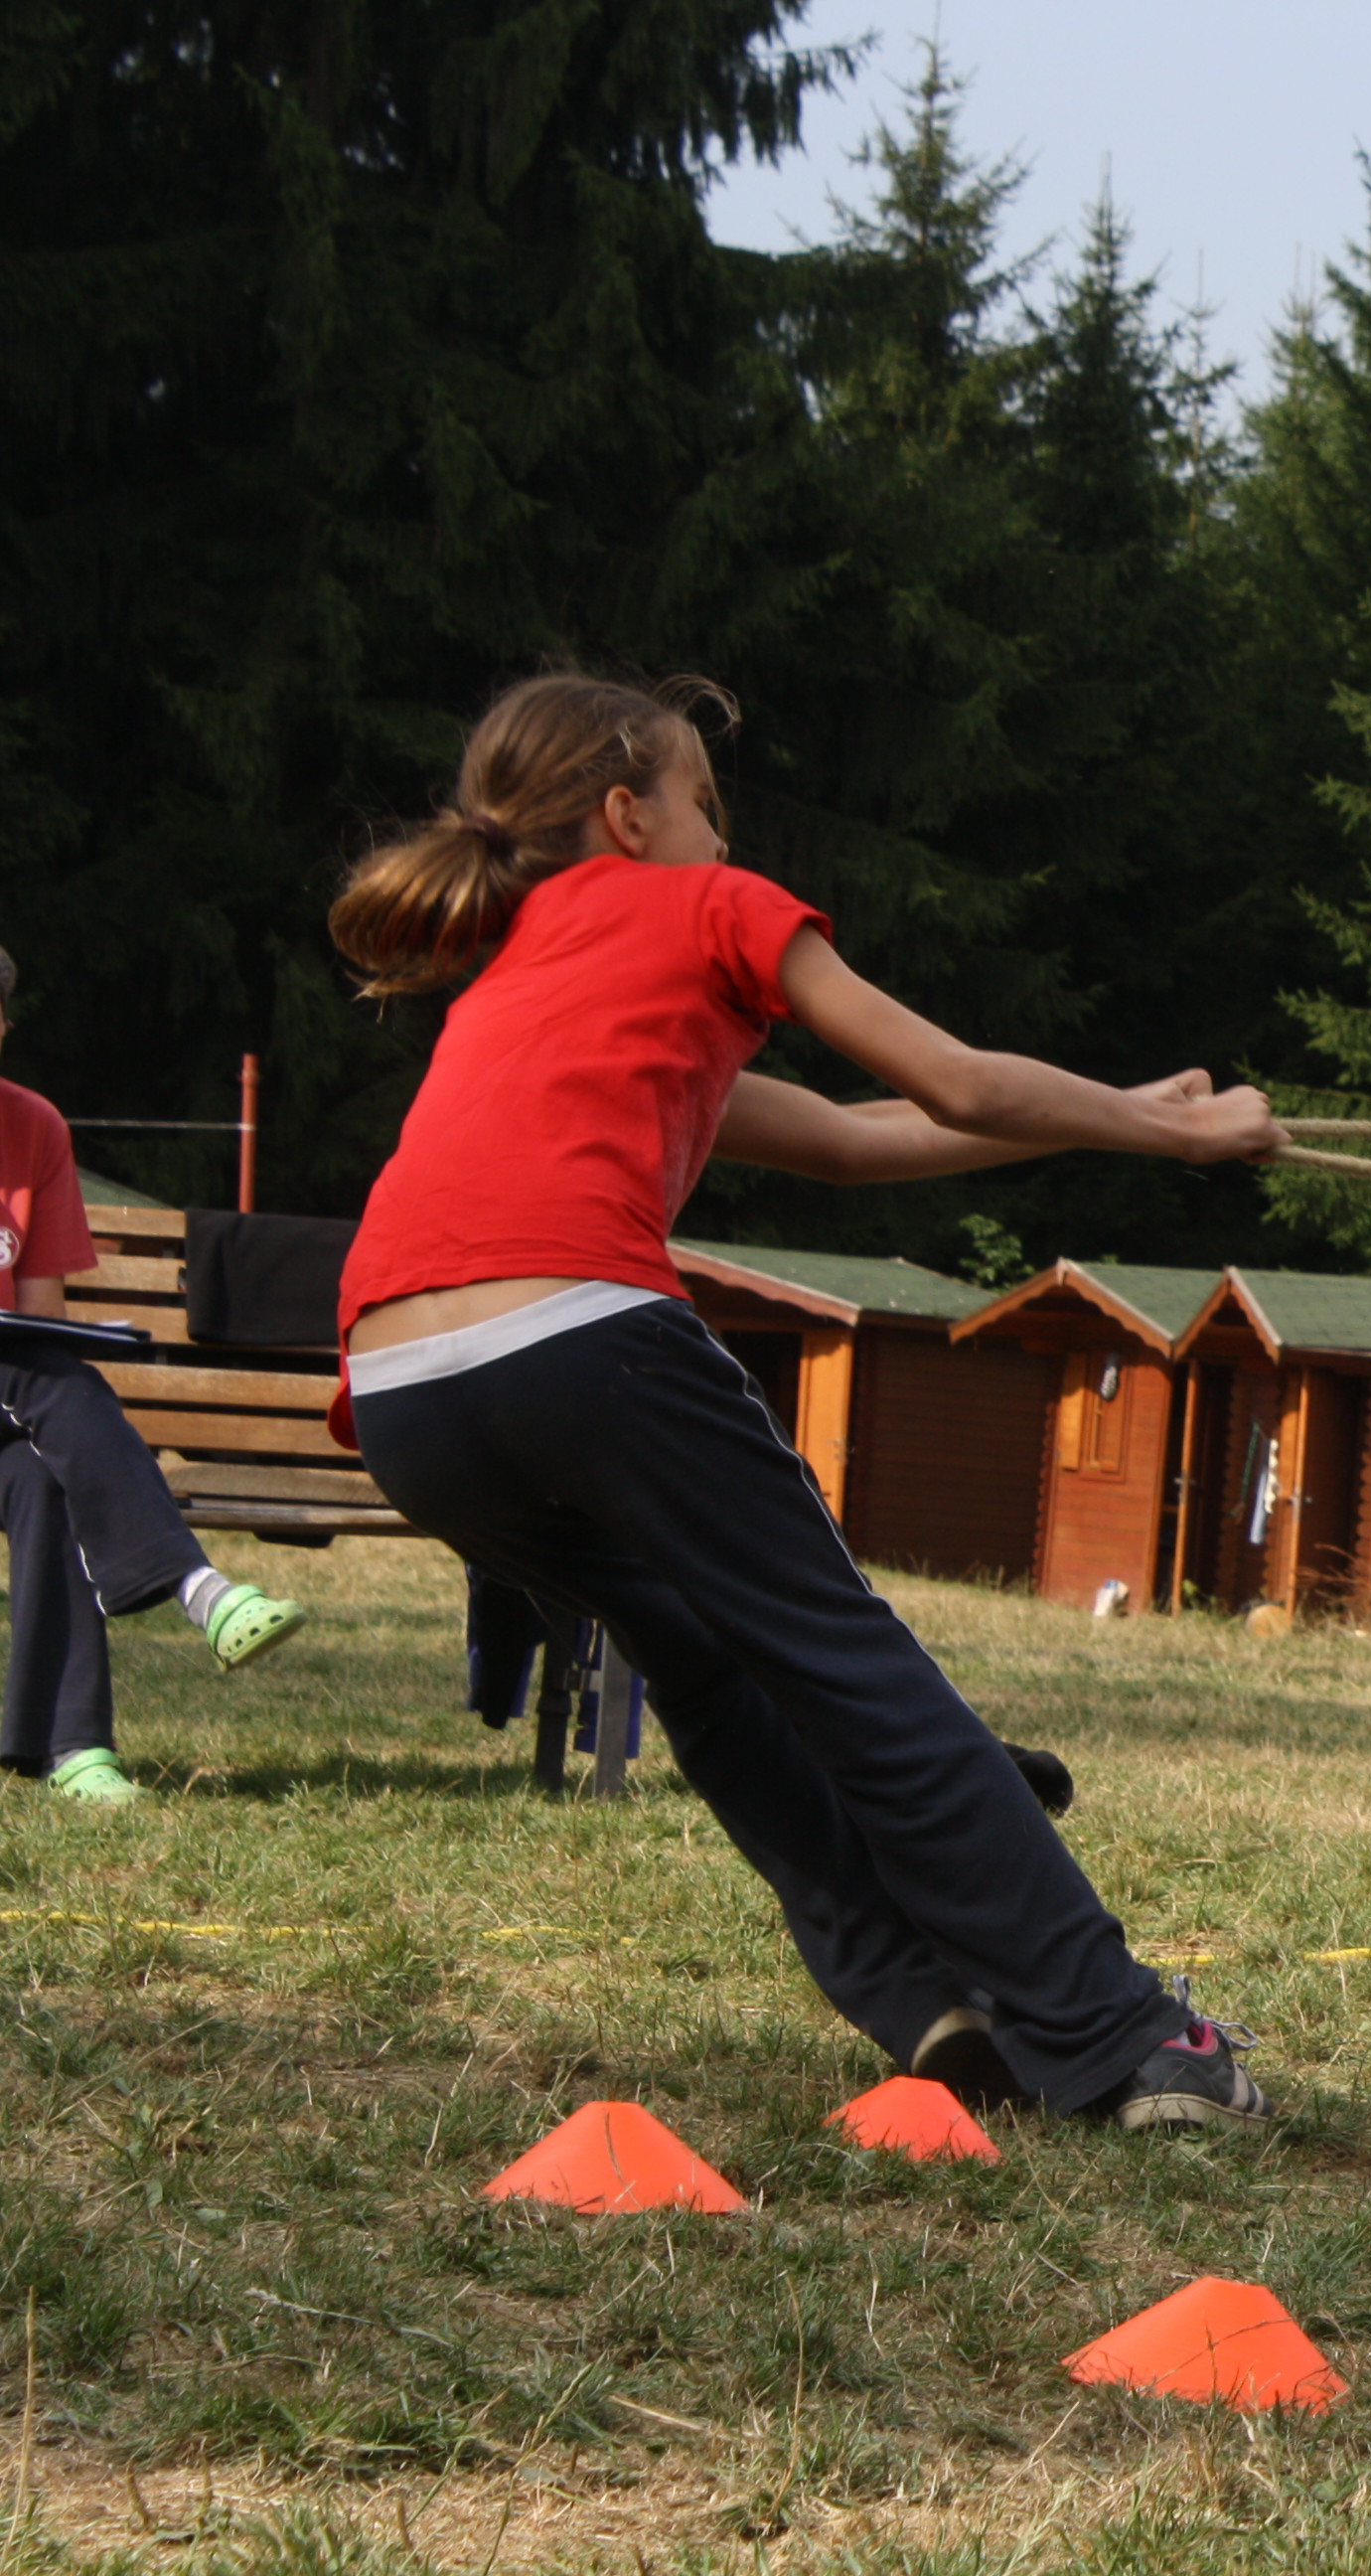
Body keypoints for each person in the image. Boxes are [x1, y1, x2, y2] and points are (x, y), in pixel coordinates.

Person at [330, 671, 1287, 2129]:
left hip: (400, 1390)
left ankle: (929, 2006)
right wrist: (1170, 1133)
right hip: (580, 1332)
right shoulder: (705, 909)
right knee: (849, 1665)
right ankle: (1124, 2038)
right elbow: (958, 1078)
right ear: (626, 810)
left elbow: (848, 1137)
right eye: (707, 805)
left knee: (710, 1672)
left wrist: (1130, 1110)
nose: (722, 836)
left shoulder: (514, 969)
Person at [0, 944, 309, 1806]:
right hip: (13, 1388)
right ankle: (200, 1589)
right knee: (42, 1396)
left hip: (9, 1401)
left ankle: (67, 1747)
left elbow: (39, 1322)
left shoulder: (31, 1128)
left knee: (43, 1471)